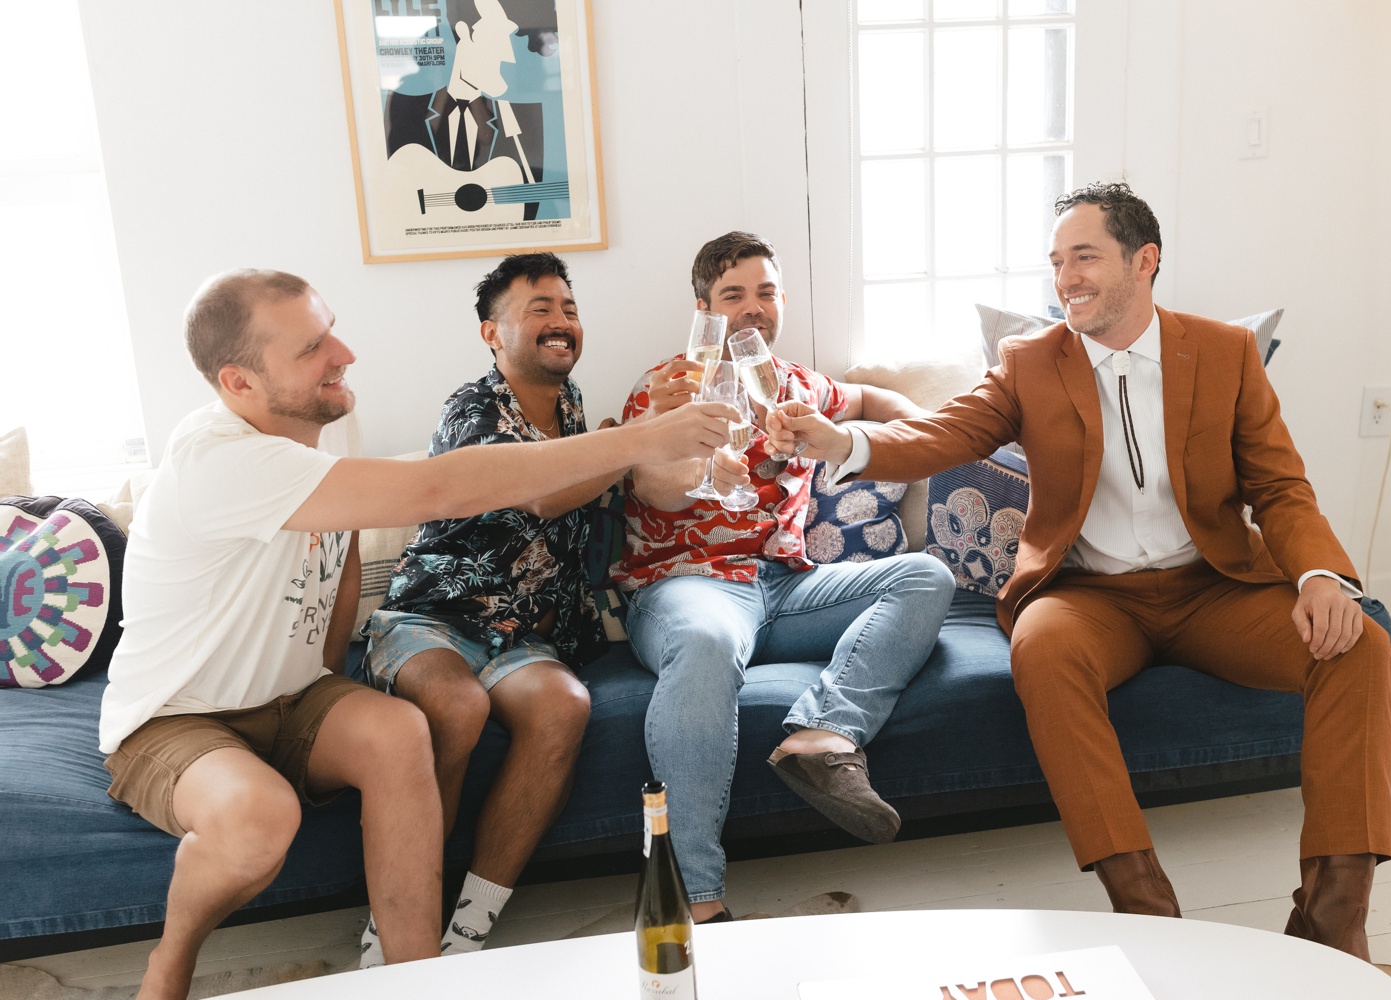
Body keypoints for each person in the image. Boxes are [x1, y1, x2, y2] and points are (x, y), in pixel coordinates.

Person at [774, 182, 1391, 961]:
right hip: (1091, 597)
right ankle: (1145, 912)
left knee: (1360, 644)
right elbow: (947, 433)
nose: (1066, 276)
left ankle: (1333, 919)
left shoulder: (1225, 352)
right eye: (1057, 261)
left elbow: (1278, 487)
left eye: (1085, 257)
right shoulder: (1031, 362)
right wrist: (845, 444)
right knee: (1043, 647)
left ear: (1145, 261)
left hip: (1213, 588)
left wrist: (1320, 576)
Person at [96, 269, 734, 1000]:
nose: (344, 353)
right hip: (179, 717)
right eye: (312, 347)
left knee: (402, 732)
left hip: (291, 698)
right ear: (239, 383)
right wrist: (644, 437)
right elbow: (444, 488)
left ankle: (416, 980)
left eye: (330, 327)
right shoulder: (220, 460)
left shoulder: (327, 419)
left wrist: (331, 684)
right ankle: (168, 965)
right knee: (259, 817)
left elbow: (338, 564)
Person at [614, 231, 956, 923]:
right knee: (708, 645)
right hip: (689, 585)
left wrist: (933, 437)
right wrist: (706, 469)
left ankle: (822, 735)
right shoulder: (667, 387)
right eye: (734, 295)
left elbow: (871, 400)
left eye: (765, 293)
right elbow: (655, 488)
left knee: (924, 575)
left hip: (788, 587)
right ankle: (697, 903)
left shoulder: (798, 387)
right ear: (705, 308)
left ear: (781, 303)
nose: (753, 309)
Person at [359, 253, 622, 960]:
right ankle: (395, 922)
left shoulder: (570, 409)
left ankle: (469, 928)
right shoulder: (472, 408)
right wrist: (630, 444)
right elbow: (533, 493)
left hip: (517, 637)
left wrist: (622, 442)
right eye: (539, 309)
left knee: (565, 705)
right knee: (455, 707)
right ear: (492, 333)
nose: (561, 322)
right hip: (432, 619)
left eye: (568, 308)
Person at [383, 0, 547, 218]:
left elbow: (487, 136)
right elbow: (414, 145)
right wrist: (442, 88)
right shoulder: (408, 92)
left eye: (454, 57)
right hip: (423, 181)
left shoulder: (468, 89)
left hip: (465, 175)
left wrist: (469, 90)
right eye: (444, 57)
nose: (449, 64)